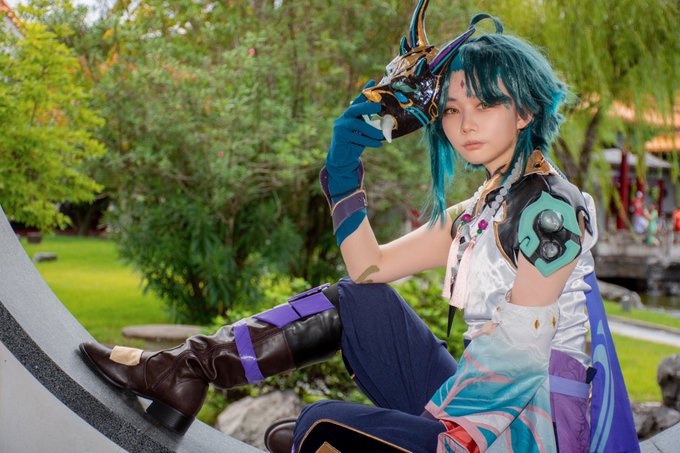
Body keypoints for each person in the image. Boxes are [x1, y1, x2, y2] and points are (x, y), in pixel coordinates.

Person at [79, 2, 638, 452]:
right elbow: (370, 268)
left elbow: (519, 358)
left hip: (528, 428)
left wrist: (432, 433)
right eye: (451, 109)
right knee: (358, 301)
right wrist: (343, 168)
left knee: (317, 427)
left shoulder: (548, 210)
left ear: (525, 112)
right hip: (475, 400)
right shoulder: (482, 209)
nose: (465, 124)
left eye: (485, 105)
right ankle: (186, 369)